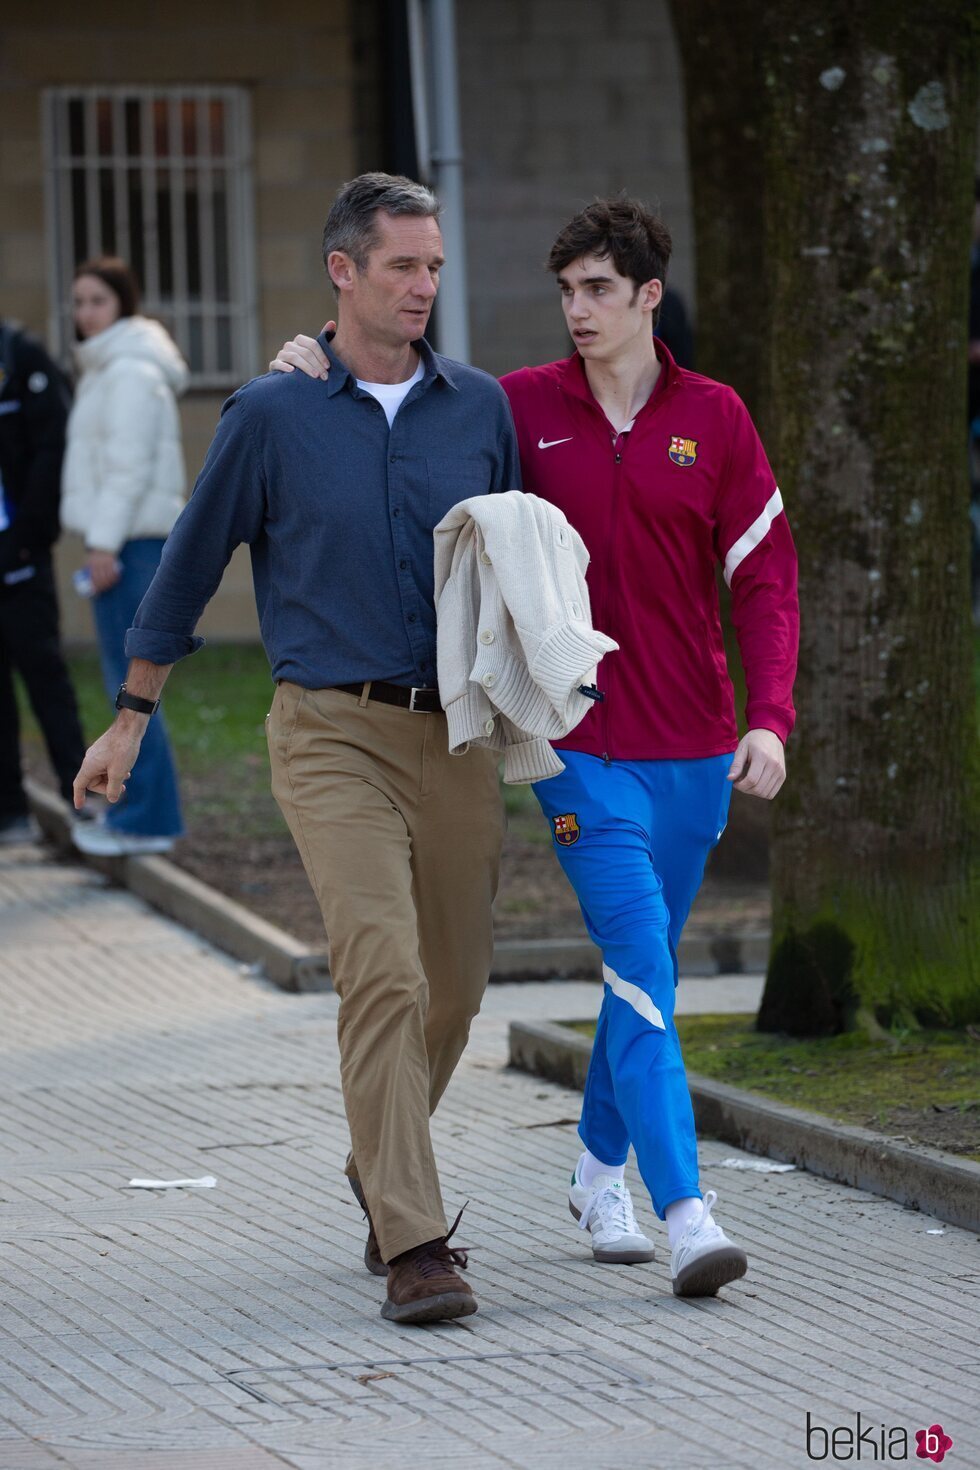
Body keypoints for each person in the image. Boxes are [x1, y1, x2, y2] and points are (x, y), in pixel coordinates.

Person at [272, 195, 798, 1298]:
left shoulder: (719, 418)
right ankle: (688, 1213)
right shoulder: (516, 411)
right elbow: (399, 405)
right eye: (564, 291)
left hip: (696, 749)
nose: (576, 311)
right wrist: (309, 368)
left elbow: (763, 580)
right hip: (571, 746)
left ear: (648, 296)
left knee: (633, 974)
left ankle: (596, 1167)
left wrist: (767, 718)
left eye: (597, 289)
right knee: (642, 963)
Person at [73, 173, 521, 1326]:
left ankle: (381, 1157)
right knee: (380, 965)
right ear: (342, 271)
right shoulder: (272, 414)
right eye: (400, 267)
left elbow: (518, 565)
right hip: (328, 729)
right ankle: (415, 1243)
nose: (423, 286)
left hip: (456, 730)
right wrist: (132, 713)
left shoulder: (476, 408)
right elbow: (189, 559)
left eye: (432, 267)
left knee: (457, 988)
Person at [61, 257, 187, 857]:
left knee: (133, 689)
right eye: (79, 302)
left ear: (123, 306)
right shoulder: (111, 366)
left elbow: (129, 467)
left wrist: (105, 543)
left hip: (130, 545)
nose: (84, 313)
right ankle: (135, 815)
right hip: (120, 542)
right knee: (126, 685)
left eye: (97, 302)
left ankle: (144, 821)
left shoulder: (131, 370)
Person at [0, 319, 86, 842]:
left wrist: (29, 537)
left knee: (44, 675)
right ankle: (10, 810)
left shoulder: (21, 356)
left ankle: (79, 799)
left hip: (20, 553)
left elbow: (53, 450)